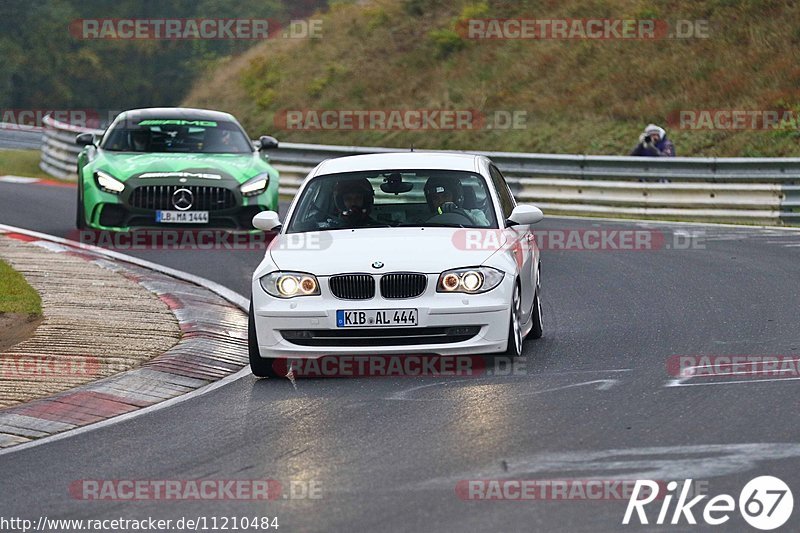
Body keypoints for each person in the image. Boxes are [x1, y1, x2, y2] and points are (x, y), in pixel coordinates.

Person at [424, 176, 489, 226]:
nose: (440, 201)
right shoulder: (424, 217)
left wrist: (461, 212)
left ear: (456, 197)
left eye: (445, 196)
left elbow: (485, 228)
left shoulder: (476, 213)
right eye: (435, 198)